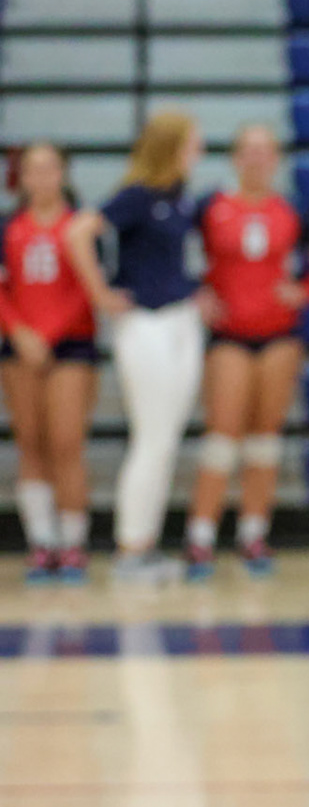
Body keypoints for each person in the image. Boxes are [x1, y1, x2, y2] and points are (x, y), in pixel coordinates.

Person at [67, 112, 209, 583]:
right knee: (152, 436)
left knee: (166, 438)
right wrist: (101, 294)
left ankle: (144, 544)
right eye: (192, 140)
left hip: (181, 320)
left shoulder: (180, 198)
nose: (200, 147)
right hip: (144, 323)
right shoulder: (137, 196)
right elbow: (77, 233)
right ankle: (131, 546)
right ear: (171, 145)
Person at [184, 125, 309, 579]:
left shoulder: (292, 208)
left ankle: (253, 534)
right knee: (223, 434)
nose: (258, 159)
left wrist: (305, 289)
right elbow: (167, 253)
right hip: (230, 335)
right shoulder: (210, 205)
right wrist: (196, 295)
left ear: (276, 158)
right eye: (249, 152)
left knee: (265, 435)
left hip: (279, 334)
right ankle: (200, 537)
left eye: (266, 151)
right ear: (235, 158)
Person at [0, 144, 99, 584]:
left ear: (63, 173)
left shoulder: (81, 226)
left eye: (48, 168)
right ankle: (42, 543)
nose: (40, 177)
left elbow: (89, 286)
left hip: (71, 344)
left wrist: (49, 334)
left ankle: (73, 542)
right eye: (31, 170)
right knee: (32, 442)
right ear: (21, 178)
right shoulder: (8, 228)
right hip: (18, 345)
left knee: (66, 441)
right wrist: (19, 332)